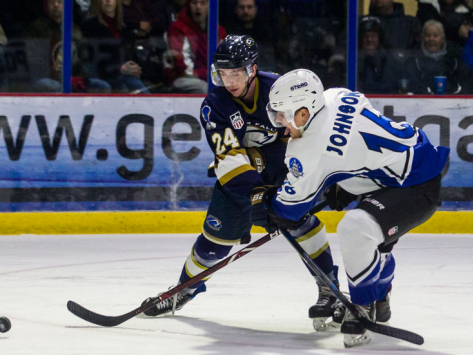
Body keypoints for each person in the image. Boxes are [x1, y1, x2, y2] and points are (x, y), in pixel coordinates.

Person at [141, 35, 341, 332]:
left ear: (252, 69)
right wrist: (257, 195)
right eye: (223, 74)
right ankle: (183, 289)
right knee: (214, 242)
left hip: (285, 168)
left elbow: (307, 130)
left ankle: (330, 290)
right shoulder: (214, 106)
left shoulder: (278, 89)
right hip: (240, 181)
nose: (230, 80)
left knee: (300, 222)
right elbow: (229, 156)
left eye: (236, 73)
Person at [259, 68, 449, 347]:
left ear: (303, 113)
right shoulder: (336, 95)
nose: (278, 121)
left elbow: (289, 209)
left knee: (356, 228)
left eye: (282, 114)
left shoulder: (308, 150)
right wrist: (345, 183)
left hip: (415, 187)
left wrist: (265, 202)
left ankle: (361, 307)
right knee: (373, 238)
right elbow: (356, 144)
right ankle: (379, 292)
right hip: (413, 159)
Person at [25, 0, 111, 93]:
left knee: (103, 86)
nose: (55, 5)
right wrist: (53, 70)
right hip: (48, 78)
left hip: (73, 78)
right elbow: (34, 61)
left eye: (60, 2)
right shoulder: (37, 28)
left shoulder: (74, 29)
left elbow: (84, 59)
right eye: (52, 2)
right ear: (47, 5)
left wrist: (79, 78)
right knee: (56, 87)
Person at [81, 0, 149, 93]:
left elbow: (129, 53)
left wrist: (135, 68)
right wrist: (120, 68)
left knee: (133, 81)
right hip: (103, 75)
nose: (108, 1)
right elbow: (96, 59)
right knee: (127, 85)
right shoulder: (90, 26)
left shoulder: (124, 26)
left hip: (123, 74)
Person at [163, 0, 226, 93]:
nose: (198, 7)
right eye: (194, 3)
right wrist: (208, 74)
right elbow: (181, 67)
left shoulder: (218, 30)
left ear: (210, 6)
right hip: (182, 78)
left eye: (203, 3)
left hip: (209, 77)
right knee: (206, 89)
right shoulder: (177, 28)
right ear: (188, 4)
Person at [406, 19, 473, 94]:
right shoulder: (414, 60)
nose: (431, 39)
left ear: (442, 39)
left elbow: (467, 84)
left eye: (435, 36)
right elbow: (411, 85)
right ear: (422, 38)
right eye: (428, 36)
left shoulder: (455, 59)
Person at [356, 16, 406, 94]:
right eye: (365, 36)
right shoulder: (352, 63)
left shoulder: (392, 63)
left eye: (373, 36)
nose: (369, 40)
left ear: (380, 38)